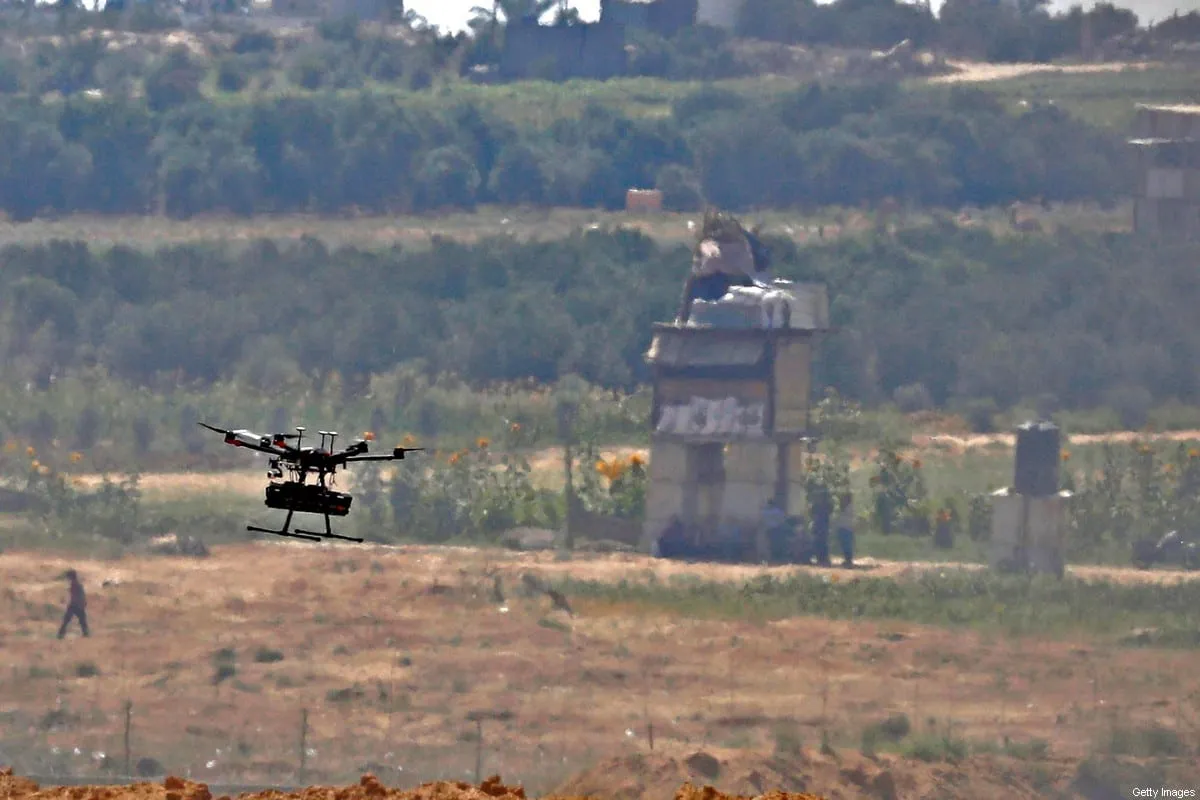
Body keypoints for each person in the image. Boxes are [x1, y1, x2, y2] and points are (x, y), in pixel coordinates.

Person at [57, 569, 89, 639]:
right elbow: (81, 595)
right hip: (79, 605)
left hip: (75, 605)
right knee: (82, 621)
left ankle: (60, 635)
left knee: (66, 620)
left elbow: (75, 595)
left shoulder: (74, 584)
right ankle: (86, 634)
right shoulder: (77, 584)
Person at [810, 487, 833, 567]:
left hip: (821, 525)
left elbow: (812, 514)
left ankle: (822, 558)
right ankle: (822, 558)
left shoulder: (817, 504)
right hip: (821, 525)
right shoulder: (825, 504)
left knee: (821, 542)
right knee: (821, 542)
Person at [835, 492, 856, 568]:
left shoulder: (849, 507)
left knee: (847, 544)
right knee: (844, 544)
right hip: (843, 528)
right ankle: (847, 559)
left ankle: (849, 560)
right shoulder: (843, 507)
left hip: (847, 528)